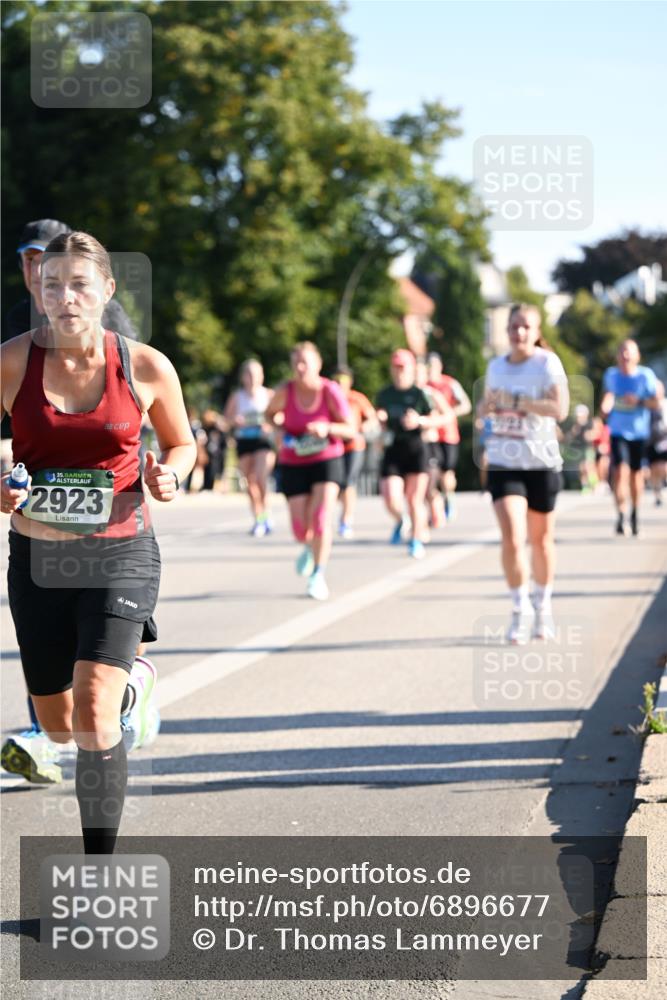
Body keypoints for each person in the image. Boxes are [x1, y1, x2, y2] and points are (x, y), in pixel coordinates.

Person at [0, 231, 195, 853]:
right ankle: (136, 682)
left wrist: (171, 471)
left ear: (107, 289)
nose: (65, 297)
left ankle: (97, 873)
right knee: (58, 726)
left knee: (92, 712)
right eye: (51, 284)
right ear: (38, 290)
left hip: (121, 549)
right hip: (37, 558)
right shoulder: (10, 363)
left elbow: (184, 442)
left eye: (79, 284)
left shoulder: (144, 365)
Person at [1, 219, 139, 778]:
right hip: (39, 519)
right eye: (29, 261)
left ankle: (113, 696)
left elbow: (138, 392)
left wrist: (155, 469)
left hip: (113, 497)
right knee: (63, 712)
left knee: (94, 698)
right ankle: (52, 729)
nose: (38, 272)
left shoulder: (113, 323)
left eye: (45, 258)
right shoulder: (15, 325)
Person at [481, 303, 569, 643]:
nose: (519, 332)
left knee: (541, 542)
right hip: (505, 460)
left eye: (526, 327)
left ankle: (543, 605)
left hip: (541, 461)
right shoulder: (495, 366)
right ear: (506, 330)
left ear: (536, 331)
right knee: (512, 538)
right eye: (514, 326)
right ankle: (520, 608)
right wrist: (487, 407)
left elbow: (558, 408)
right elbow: (485, 405)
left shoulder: (547, 363)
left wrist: (516, 402)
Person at [266, 342, 353, 600]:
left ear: (318, 364)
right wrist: (279, 431)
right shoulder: (286, 391)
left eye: (305, 362)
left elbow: (350, 429)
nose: (300, 368)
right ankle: (308, 545)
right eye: (296, 363)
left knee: (321, 517)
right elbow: (269, 415)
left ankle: (318, 573)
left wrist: (328, 428)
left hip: (327, 458)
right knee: (299, 527)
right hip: (294, 461)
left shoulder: (330, 390)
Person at [376, 349, 439, 559]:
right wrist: (381, 420)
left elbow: (437, 419)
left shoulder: (419, 393)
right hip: (393, 447)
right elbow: (379, 421)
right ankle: (402, 519)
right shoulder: (384, 394)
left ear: (411, 369)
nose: (399, 371)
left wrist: (419, 421)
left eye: (403, 367)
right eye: (396, 367)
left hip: (416, 447)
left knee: (414, 499)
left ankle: (415, 540)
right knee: (389, 496)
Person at [600, 339, 660, 536]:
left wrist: (639, 401)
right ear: (618, 356)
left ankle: (634, 512)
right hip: (618, 432)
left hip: (640, 433)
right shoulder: (611, 374)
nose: (625, 356)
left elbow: (655, 402)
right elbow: (608, 395)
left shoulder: (645, 376)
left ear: (637, 356)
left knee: (636, 476)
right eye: (622, 352)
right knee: (619, 472)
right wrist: (605, 406)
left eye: (629, 352)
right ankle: (621, 513)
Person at [224, 359, 275, 535]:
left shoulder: (268, 394)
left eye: (256, 374)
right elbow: (226, 420)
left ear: (262, 376)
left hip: (263, 441)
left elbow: (280, 417)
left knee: (261, 478)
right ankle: (258, 518)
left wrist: (269, 425)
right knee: (250, 482)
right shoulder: (237, 396)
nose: (252, 378)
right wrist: (235, 421)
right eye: (249, 374)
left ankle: (266, 513)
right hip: (244, 441)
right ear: (243, 377)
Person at [331, 365, 377, 539]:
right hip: (335, 446)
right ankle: (342, 511)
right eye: (335, 381)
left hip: (354, 445)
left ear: (349, 382)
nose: (339, 384)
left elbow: (372, 418)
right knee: (337, 483)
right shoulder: (330, 398)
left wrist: (366, 426)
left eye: (342, 381)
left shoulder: (357, 399)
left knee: (349, 481)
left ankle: (346, 520)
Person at [427, 352, 472, 521]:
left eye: (433, 366)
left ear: (440, 367)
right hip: (430, 436)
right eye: (428, 366)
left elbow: (466, 405)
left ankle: (449, 497)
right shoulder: (423, 385)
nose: (430, 369)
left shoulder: (450, 383)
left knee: (446, 474)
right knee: (431, 473)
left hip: (448, 435)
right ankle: (435, 509)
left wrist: (449, 413)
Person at [647, 380, 667, 506]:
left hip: (664, 439)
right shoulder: (647, 406)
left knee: (664, 467)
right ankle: (657, 493)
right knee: (653, 469)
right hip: (650, 440)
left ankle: (663, 487)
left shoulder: (665, 404)